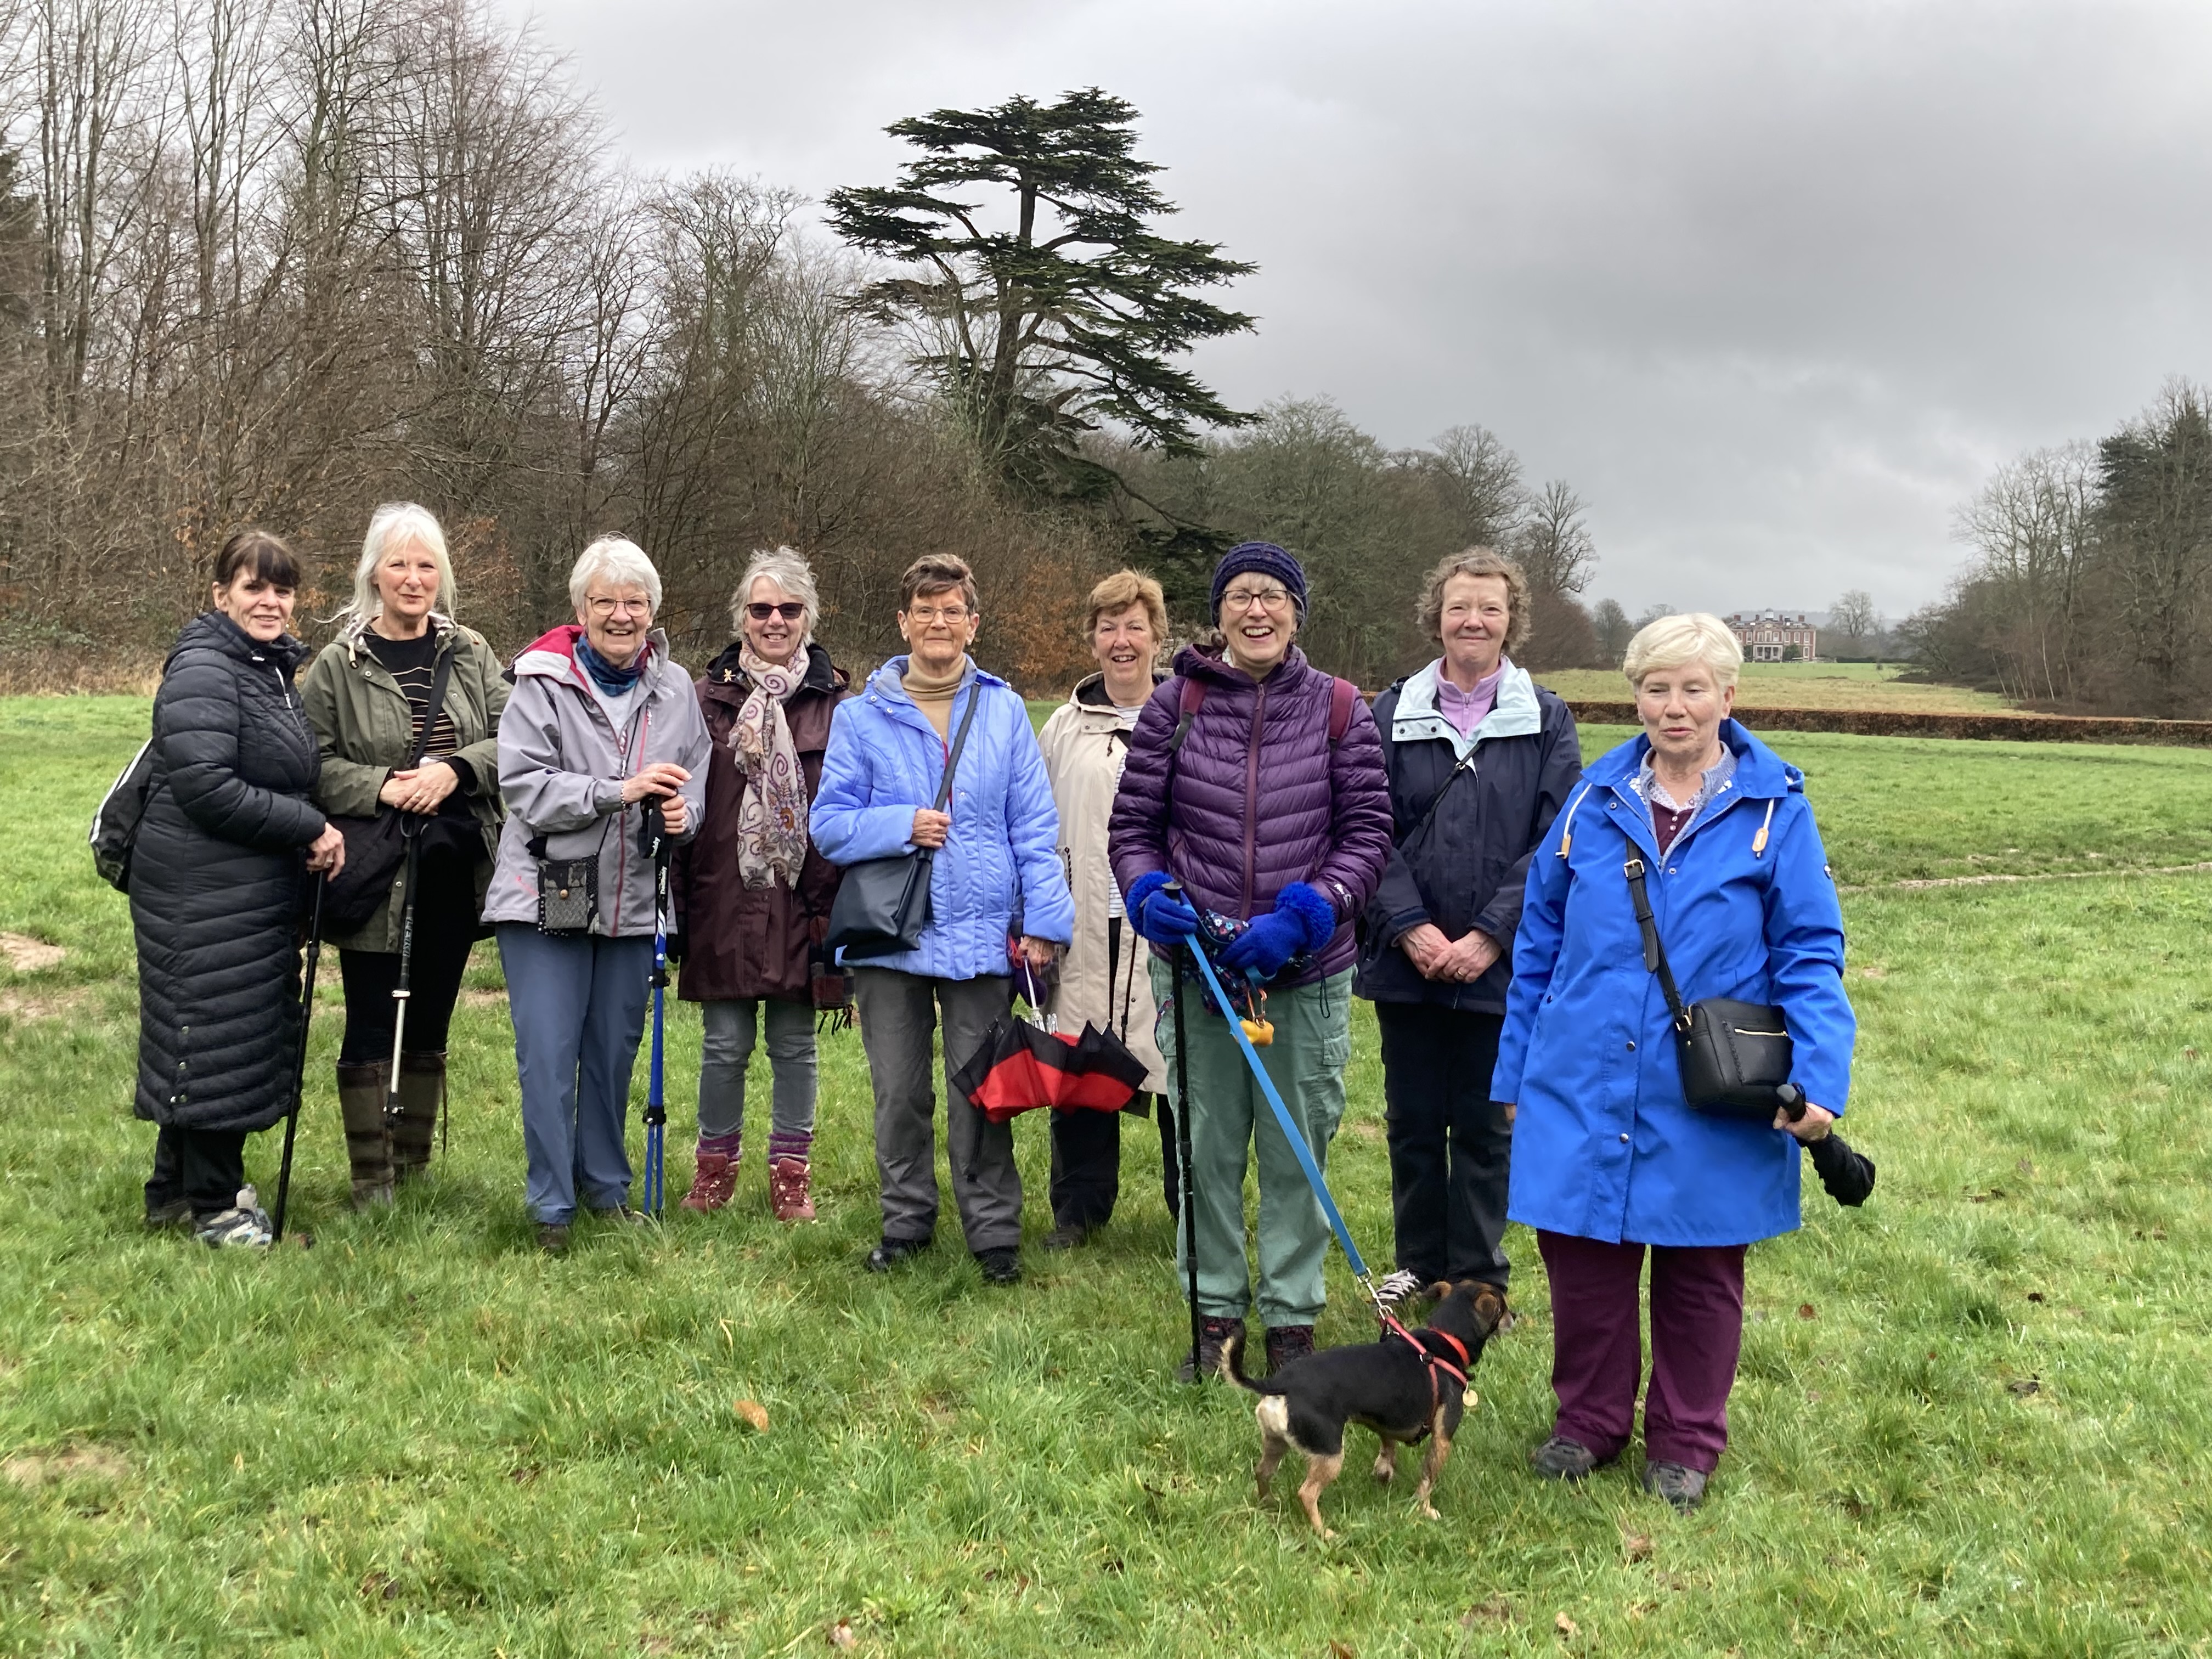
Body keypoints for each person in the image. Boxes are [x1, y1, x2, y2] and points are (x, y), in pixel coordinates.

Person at [1494, 612, 1855, 1510]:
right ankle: (1587, 1423)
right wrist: (1512, 1075)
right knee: (1582, 1262)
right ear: (1636, 696)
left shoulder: (1776, 808)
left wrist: (1819, 1077)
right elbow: (1536, 945)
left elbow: (1810, 950)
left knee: (1700, 1272)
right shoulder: (1590, 799)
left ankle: (1686, 1441)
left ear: (1727, 696)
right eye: (1657, 687)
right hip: (1581, 1073)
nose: (1674, 705)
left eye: (1694, 687)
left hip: (1712, 1083)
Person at [1109, 541, 1393, 1379]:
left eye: (1272, 595)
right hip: (1199, 967)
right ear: (1219, 613)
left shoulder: (1342, 709)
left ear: (1296, 611)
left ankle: (1293, 1318)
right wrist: (1147, 888)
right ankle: (1215, 1311)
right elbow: (1135, 828)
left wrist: (1312, 913)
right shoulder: (1176, 704)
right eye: (1240, 597)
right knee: (1207, 1148)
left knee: (1296, 1148)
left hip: (1304, 971)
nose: (1256, 610)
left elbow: (1369, 835)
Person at [812, 553, 1075, 1286]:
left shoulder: (1006, 711)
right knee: (900, 1094)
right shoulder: (861, 717)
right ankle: (906, 1224)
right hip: (892, 938)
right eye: (924, 609)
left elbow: (1034, 825)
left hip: (984, 936)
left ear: (973, 623)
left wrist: (1045, 921)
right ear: (903, 622)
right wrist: (903, 824)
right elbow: (829, 825)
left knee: (982, 1094)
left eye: (952, 609)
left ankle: (993, 1235)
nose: (938, 622)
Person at [1356, 549, 1581, 1294]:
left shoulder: (1546, 719)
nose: (1473, 620)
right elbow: (1364, 828)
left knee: (1486, 1128)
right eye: (1460, 607)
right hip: (1405, 959)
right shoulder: (1388, 713)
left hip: (1500, 964)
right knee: (1414, 1121)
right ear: (1436, 617)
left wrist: (1490, 935)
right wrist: (1410, 926)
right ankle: (1420, 1265)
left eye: (1490, 607)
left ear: (1511, 620)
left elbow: (1557, 843)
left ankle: (1481, 1279)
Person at [484, 536, 710, 1253]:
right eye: (606, 601)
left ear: (653, 610)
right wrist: (619, 793)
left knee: (613, 1051)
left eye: (635, 602)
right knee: (550, 1053)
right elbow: (524, 787)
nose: (622, 615)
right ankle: (551, 1203)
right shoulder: (541, 682)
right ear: (581, 609)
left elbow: (696, 775)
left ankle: (605, 1189)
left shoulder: (676, 688)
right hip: (552, 884)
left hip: (635, 896)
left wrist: (683, 813)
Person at [134, 530, 347, 1248]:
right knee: (217, 1033)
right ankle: (219, 1208)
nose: (271, 601)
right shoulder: (205, 667)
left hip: (240, 886)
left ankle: (172, 1190)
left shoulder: (266, 669)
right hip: (201, 889)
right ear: (221, 593)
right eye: (254, 586)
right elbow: (207, 787)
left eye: (282, 588)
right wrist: (308, 825)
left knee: (207, 1036)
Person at [303, 503, 509, 1207]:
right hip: (374, 870)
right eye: (399, 564)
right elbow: (312, 765)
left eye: (427, 566)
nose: (414, 579)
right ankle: (371, 1179)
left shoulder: (472, 653)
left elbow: (520, 740)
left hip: (456, 867)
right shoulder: (337, 666)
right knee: (368, 1017)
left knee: (431, 1015)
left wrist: (455, 771)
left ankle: (413, 1168)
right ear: (374, 575)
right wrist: (385, 786)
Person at [674, 547, 850, 1221]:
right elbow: (686, 803)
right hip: (723, 890)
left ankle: (790, 1174)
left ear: (808, 616)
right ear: (742, 618)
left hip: (807, 895)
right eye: (761, 609)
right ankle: (714, 1170)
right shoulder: (703, 698)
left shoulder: (837, 704)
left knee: (794, 1045)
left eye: (789, 608)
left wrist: (834, 908)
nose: (774, 621)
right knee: (724, 1044)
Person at [1035, 570, 1173, 1250]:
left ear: (1157, 637)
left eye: (1134, 626)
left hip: (1163, 921)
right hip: (1085, 918)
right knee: (1081, 1061)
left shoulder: (1189, 717)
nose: (1122, 641)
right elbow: (1035, 823)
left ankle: (1193, 1212)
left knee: (1180, 1069)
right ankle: (1079, 1211)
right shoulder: (1064, 726)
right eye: (1109, 627)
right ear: (1093, 640)